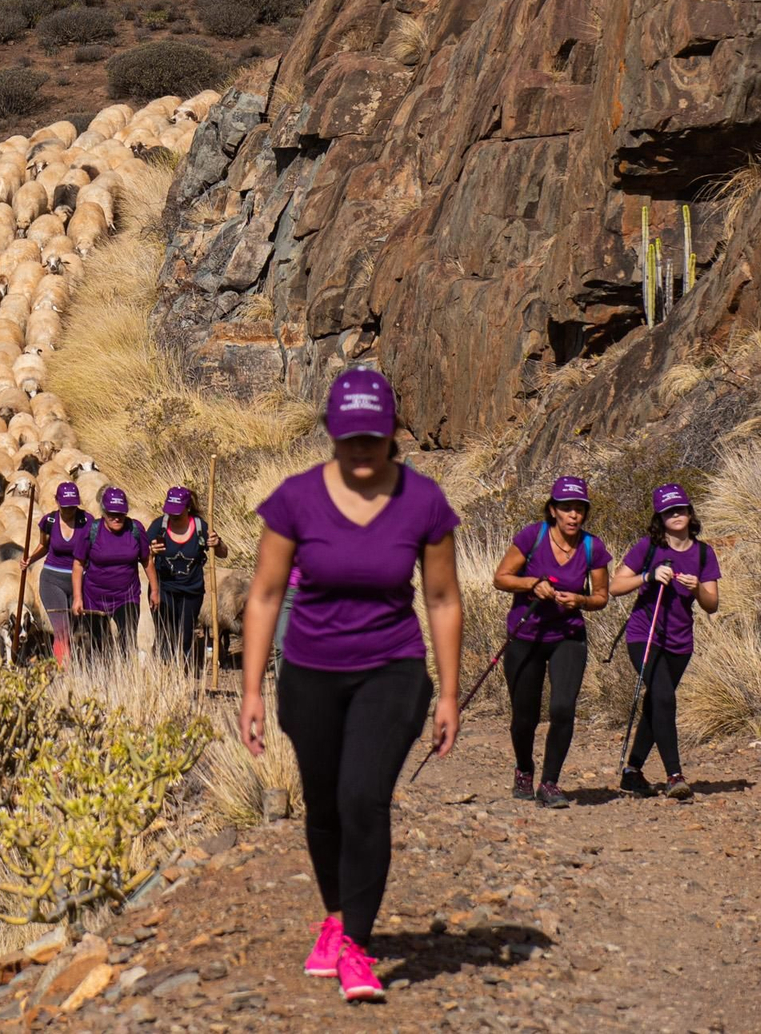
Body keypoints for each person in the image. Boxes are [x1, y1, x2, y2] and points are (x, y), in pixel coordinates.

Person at [239, 366, 461, 1003]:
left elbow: (442, 599)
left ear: (392, 432)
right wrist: (251, 690)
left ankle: (357, 947)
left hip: (392, 668)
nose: (362, 447)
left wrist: (448, 693)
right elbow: (265, 595)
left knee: (363, 797)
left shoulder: (423, 502)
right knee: (324, 802)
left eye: (373, 434)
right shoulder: (295, 500)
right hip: (311, 672)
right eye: (349, 435)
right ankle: (335, 917)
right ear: (331, 433)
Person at [491, 475, 609, 809]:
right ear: (553, 509)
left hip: (568, 637)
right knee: (524, 716)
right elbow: (501, 578)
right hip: (526, 636)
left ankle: (550, 782)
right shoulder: (533, 536)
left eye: (579, 509)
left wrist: (580, 600)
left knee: (562, 708)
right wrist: (531, 584)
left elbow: (601, 596)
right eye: (567, 508)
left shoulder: (592, 547)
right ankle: (524, 769)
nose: (573, 515)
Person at [609, 483, 721, 800]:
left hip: (680, 642)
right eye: (669, 511)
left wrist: (697, 588)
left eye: (680, 509)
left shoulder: (703, 553)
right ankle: (674, 775)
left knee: (656, 702)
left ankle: (632, 771)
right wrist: (648, 576)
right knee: (664, 697)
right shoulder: (648, 548)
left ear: (689, 512)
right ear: (660, 517)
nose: (676, 515)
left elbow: (712, 604)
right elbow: (615, 586)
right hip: (644, 635)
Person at [147, 485, 227, 667]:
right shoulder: (159, 526)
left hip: (191, 591)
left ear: (188, 507)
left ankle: (183, 669)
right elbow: (142, 556)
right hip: (164, 589)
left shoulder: (200, 527)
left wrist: (217, 543)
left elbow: (223, 553)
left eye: (177, 511)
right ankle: (165, 670)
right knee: (165, 633)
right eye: (170, 511)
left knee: (185, 634)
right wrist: (151, 551)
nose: (173, 516)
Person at [71, 486, 150, 656]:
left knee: (127, 639)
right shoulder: (91, 530)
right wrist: (78, 597)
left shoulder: (135, 529)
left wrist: (155, 590)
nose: (116, 518)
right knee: (96, 642)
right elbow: (78, 564)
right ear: (103, 512)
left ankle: (126, 670)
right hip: (94, 597)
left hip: (127, 596)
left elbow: (146, 560)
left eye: (120, 513)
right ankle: (99, 670)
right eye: (111, 514)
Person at [19, 481, 86, 666]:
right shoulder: (49, 522)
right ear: (57, 501)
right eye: (65, 506)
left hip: (80, 581)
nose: (69, 510)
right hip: (53, 580)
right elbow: (44, 545)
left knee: (77, 628)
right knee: (62, 629)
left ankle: (77, 664)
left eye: (73, 506)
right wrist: (30, 559)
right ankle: (65, 669)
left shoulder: (87, 521)